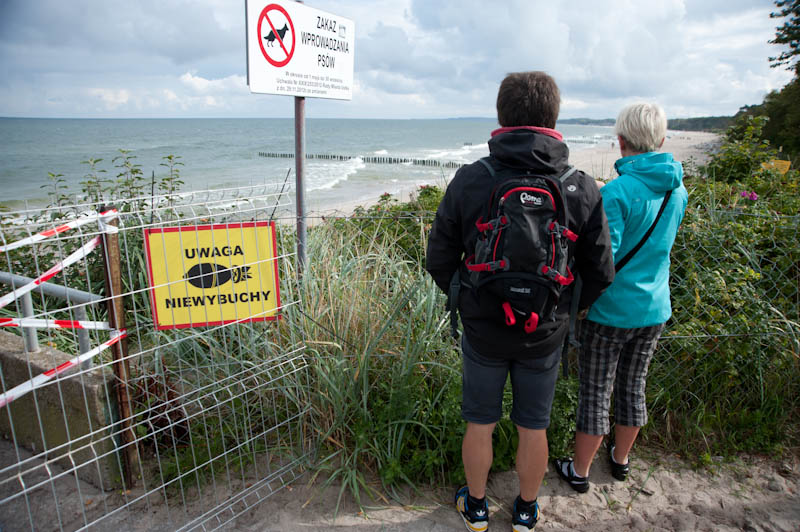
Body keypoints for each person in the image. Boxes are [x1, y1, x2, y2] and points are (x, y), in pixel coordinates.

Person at [425, 71, 615, 532]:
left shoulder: (473, 179)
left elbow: (438, 259)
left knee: (480, 421)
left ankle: (475, 508)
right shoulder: (581, 186)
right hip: (544, 333)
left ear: (500, 116)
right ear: (553, 117)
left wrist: (469, 297)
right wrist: (562, 308)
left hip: (484, 327)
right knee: (535, 426)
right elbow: (601, 272)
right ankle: (526, 510)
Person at [554, 103, 688, 493]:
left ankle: (579, 471)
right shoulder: (677, 190)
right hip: (655, 306)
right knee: (634, 385)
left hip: (611, 311)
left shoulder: (615, 193)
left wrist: (579, 302)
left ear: (621, 140)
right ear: (661, 140)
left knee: (595, 391)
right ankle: (620, 460)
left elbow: (602, 262)